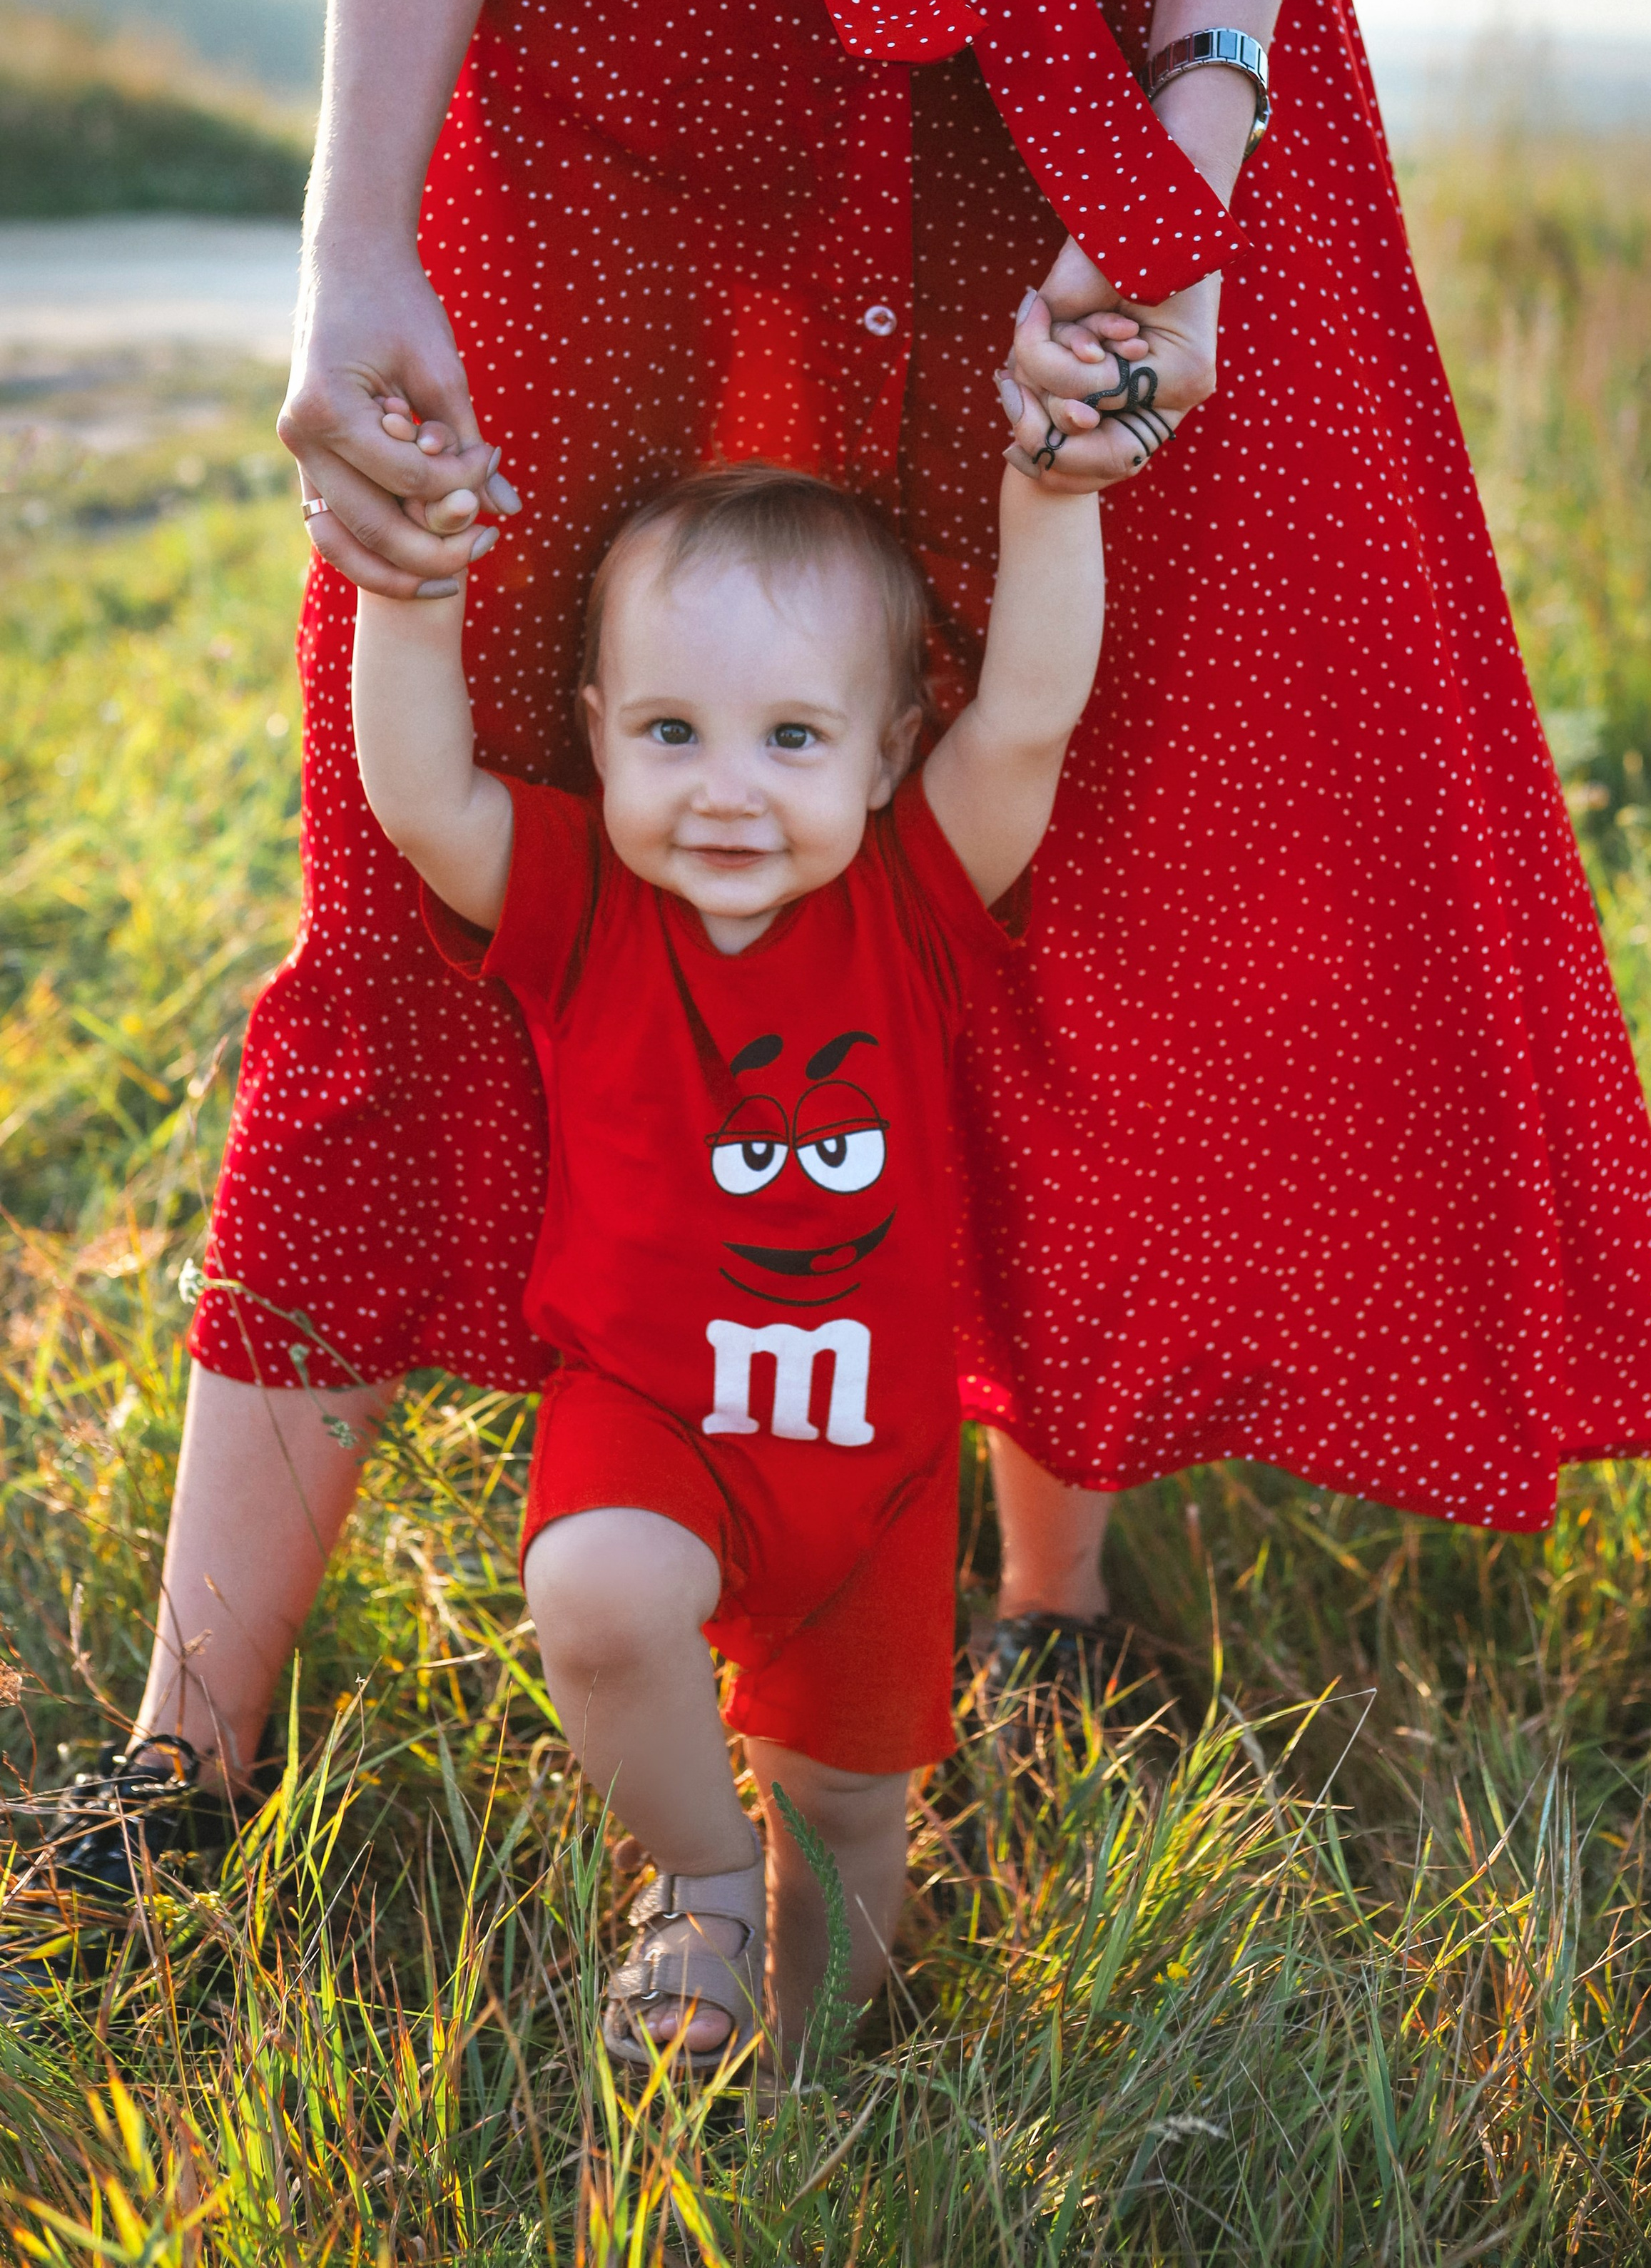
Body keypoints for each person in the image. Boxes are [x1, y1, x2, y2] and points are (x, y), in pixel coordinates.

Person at [44, 0, 1651, 1872]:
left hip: (1112, 28)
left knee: (1095, 808)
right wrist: (358, 216)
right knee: (455, 798)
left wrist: (1191, 139)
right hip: (615, 16)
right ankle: (179, 1768)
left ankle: (1055, 1604)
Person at [350, 453, 1117, 2062]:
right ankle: (696, 1875)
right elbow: (421, 798)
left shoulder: (908, 902)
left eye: (791, 739)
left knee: (845, 1838)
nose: (723, 790)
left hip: (870, 1481)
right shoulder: (583, 906)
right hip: (649, 1415)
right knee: (596, 1586)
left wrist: (1051, 491)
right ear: (595, 734)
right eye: (669, 734)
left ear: (889, 751)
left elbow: (1032, 715)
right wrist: (408, 586)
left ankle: (793, 2103)